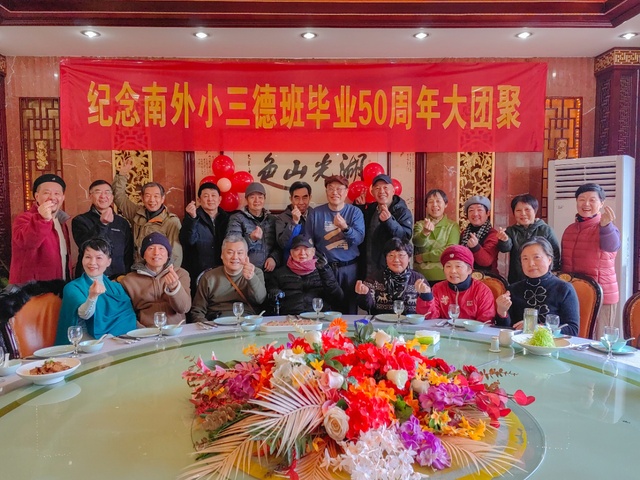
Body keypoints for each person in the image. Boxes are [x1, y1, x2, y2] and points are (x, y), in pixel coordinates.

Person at [561, 183, 620, 338]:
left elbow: (612, 246)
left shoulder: (606, 228)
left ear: (601, 203)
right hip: (575, 294)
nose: (586, 204)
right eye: (582, 199)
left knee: (600, 342)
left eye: (592, 200)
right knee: (576, 338)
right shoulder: (569, 230)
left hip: (602, 296)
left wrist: (606, 226)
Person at [55, 238, 137, 345]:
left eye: (99, 258)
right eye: (88, 257)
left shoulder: (116, 287)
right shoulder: (72, 287)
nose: (92, 263)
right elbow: (84, 314)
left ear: (108, 262)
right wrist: (92, 297)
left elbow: (128, 317)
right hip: (87, 342)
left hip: (120, 339)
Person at [305, 175, 365, 314]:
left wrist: (345, 227)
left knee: (349, 311)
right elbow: (308, 241)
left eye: (339, 189)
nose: (334, 192)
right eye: (330, 189)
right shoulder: (315, 213)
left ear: (346, 191)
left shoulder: (355, 212)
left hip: (349, 270)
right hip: (324, 270)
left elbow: (359, 239)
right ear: (326, 191)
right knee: (324, 311)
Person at [495, 237, 579, 336]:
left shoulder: (564, 289)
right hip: (517, 343)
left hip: (551, 344)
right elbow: (505, 329)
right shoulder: (513, 289)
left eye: (536, 257)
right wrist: (502, 312)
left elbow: (572, 330)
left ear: (549, 259)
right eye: (525, 259)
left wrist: (537, 328)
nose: (531, 264)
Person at [112, 157, 183, 268]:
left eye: (156, 196)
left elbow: (175, 253)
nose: (152, 200)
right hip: (137, 269)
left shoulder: (171, 221)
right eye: (148, 196)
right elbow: (119, 197)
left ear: (162, 199)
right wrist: (122, 174)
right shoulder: (136, 213)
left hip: (158, 271)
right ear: (142, 198)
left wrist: (167, 273)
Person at [9, 174, 72, 284]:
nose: (52, 197)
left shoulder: (61, 222)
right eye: (46, 193)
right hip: (31, 289)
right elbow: (29, 242)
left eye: (57, 193)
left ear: (63, 197)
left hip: (57, 287)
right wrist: (43, 219)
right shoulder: (24, 219)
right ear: (37, 196)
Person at [119, 232, 191, 326]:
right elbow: (125, 314)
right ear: (144, 255)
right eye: (151, 248)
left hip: (176, 329)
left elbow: (184, 308)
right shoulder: (129, 280)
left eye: (161, 248)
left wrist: (175, 288)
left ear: (168, 254)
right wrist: (141, 330)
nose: (156, 253)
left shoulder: (180, 274)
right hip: (145, 331)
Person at [190, 235, 267, 320]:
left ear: (246, 256)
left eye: (240, 253)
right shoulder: (209, 277)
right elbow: (197, 311)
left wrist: (251, 278)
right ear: (222, 255)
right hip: (216, 322)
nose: (235, 257)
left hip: (246, 322)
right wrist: (206, 325)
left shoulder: (255, 272)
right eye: (230, 252)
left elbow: (260, 300)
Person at [71, 179, 134, 278]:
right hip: (89, 277)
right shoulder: (80, 220)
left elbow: (128, 254)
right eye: (98, 192)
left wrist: (126, 276)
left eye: (107, 192)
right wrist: (102, 224)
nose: (103, 196)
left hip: (118, 278)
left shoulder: (122, 222)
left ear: (112, 197)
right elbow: (85, 245)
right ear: (90, 196)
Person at [267, 235, 343, 315]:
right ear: (291, 253)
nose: (302, 253)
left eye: (306, 249)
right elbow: (270, 302)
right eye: (297, 250)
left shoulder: (324, 270)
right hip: (290, 317)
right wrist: (273, 294)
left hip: (319, 316)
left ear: (313, 251)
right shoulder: (279, 273)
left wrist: (325, 271)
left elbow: (337, 298)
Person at [417, 245, 496, 321]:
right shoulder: (438, 288)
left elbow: (486, 322)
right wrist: (426, 296)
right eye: (448, 266)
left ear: (469, 270)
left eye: (458, 266)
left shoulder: (482, 291)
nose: (453, 271)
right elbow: (429, 318)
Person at [358, 174, 413, 279]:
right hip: (368, 267)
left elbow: (404, 237)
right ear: (372, 192)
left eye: (385, 187)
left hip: (391, 269)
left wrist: (389, 221)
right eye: (377, 188)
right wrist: (359, 207)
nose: (381, 191)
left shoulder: (402, 211)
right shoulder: (371, 209)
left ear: (393, 191)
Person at [355, 238, 430, 315]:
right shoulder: (374, 279)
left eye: (401, 255)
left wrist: (426, 295)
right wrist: (364, 295)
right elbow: (366, 306)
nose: (396, 260)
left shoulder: (418, 279)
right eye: (391, 255)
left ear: (409, 258)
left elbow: (429, 310)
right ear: (385, 258)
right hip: (382, 321)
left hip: (410, 321)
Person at [497, 193, 560, 284]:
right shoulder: (511, 231)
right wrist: (504, 240)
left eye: (527, 210)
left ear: (535, 211)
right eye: (518, 210)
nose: (523, 214)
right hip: (518, 279)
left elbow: (555, 254)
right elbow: (505, 249)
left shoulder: (546, 230)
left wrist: (552, 275)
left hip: (543, 280)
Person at [180, 182, 230, 293]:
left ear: (220, 199)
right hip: (198, 270)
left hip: (222, 269)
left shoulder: (227, 218)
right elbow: (188, 241)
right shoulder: (192, 217)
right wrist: (192, 218)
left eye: (213, 195)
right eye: (206, 196)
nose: (210, 199)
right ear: (199, 200)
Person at [227, 182, 281, 273]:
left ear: (264, 199)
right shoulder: (237, 219)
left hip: (271, 271)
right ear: (246, 199)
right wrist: (251, 238)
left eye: (260, 197)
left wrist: (274, 258)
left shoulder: (272, 219)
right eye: (252, 197)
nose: (257, 200)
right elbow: (232, 245)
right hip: (246, 271)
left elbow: (280, 244)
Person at [413, 189, 460, 284]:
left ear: (445, 204)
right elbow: (416, 243)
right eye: (430, 202)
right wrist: (424, 233)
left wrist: (423, 257)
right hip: (420, 276)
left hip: (444, 275)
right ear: (426, 206)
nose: (434, 205)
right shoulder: (420, 224)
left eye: (438, 201)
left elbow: (450, 250)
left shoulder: (453, 226)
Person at [460, 195, 499, 274]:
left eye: (479, 210)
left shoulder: (493, 234)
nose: (475, 214)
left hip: (487, 277)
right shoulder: (464, 233)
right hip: (466, 275)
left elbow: (486, 261)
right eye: (471, 210)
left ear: (488, 213)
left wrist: (475, 247)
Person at [275, 181, 313, 262]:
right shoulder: (281, 218)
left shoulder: (315, 215)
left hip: (312, 263)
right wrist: (294, 222)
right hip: (290, 263)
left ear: (310, 198)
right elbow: (283, 244)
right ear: (291, 199)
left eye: (305, 197)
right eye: (297, 198)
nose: (301, 202)